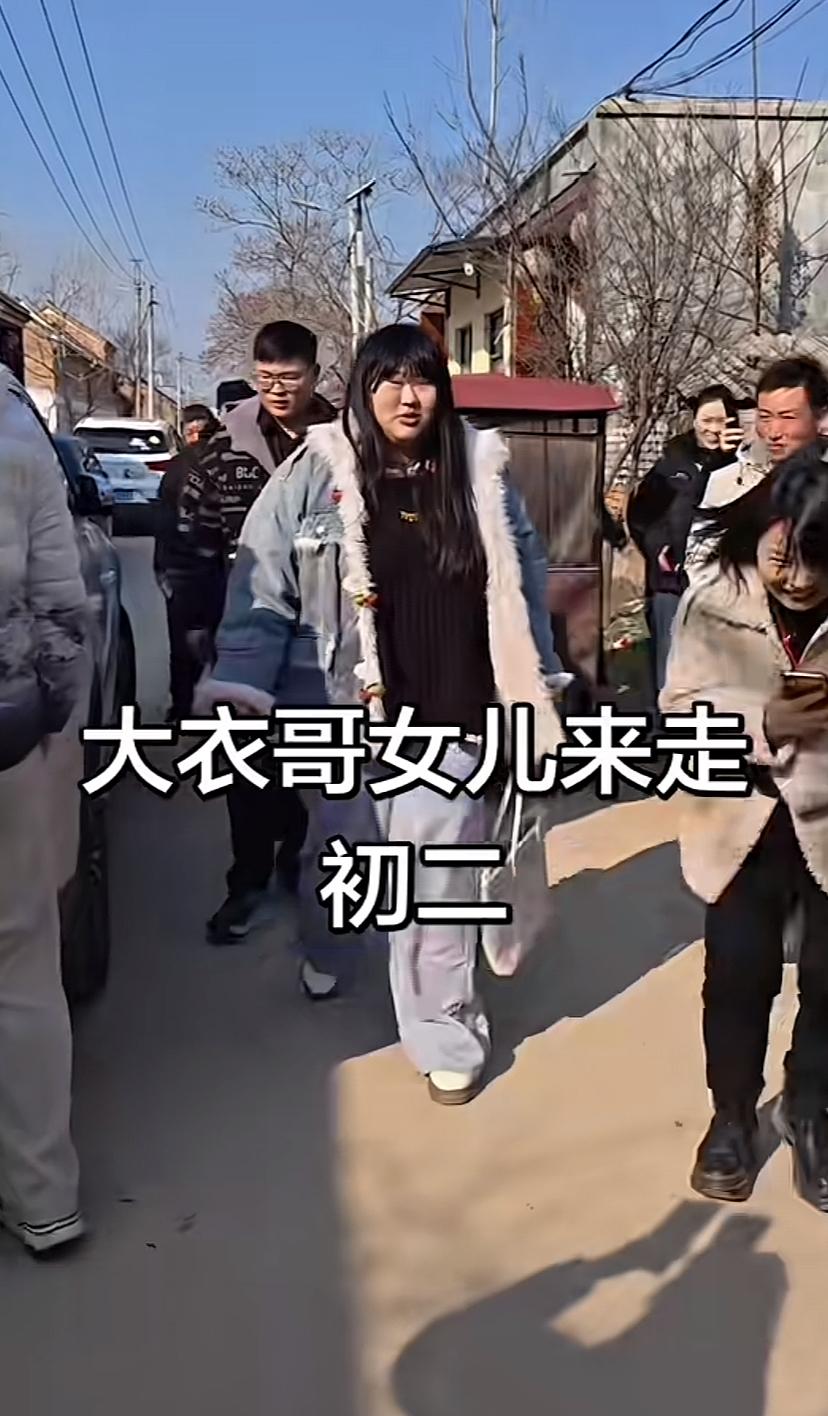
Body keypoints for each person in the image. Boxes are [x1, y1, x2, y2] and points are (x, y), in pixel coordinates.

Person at [196, 323, 565, 1106]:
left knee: (438, 878)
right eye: (388, 381)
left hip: (453, 713)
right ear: (363, 391)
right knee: (340, 851)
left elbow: (525, 584)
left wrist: (538, 682)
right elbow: (262, 591)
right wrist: (242, 683)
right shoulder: (315, 472)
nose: (407, 396)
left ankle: (445, 1030)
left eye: (422, 379)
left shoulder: (481, 473)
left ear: (442, 389)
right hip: (341, 707)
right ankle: (330, 943)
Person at [661, 439, 828, 1214]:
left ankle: (810, 1109)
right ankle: (731, 1116)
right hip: (741, 821)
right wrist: (764, 721)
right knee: (736, 975)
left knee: (827, 980)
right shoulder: (715, 601)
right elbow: (678, 711)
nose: (797, 579)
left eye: (818, 563)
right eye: (784, 557)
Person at [180, 322, 337, 946]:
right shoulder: (223, 453)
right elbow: (191, 547)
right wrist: (196, 633)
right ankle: (246, 882)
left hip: (322, 639)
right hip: (242, 633)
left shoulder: (345, 448)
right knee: (245, 766)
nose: (276, 389)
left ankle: (301, 865)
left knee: (314, 765)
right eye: (265, 378)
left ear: (314, 377)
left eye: (289, 378)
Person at [0, 365, 88, 1253]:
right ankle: (43, 1196)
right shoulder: (14, 427)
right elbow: (63, 613)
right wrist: (56, 737)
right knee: (21, 968)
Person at [627, 385, 743, 697]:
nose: (714, 429)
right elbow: (639, 515)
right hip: (671, 583)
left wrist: (725, 460)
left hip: (719, 586)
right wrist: (658, 550)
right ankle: (664, 724)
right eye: (707, 420)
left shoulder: (742, 465)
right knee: (669, 668)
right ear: (694, 420)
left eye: (722, 421)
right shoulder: (672, 463)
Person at [684, 355, 828, 588]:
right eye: (765, 417)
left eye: (788, 417)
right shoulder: (728, 481)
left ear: (821, 417)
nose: (773, 432)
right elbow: (697, 565)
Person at [154, 403, 223, 721]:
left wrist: (162, 567)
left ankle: (183, 707)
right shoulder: (225, 459)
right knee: (220, 639)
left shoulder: (179, 466)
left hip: (180, 566)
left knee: (183, 642)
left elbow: (163, 519)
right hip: (212, 565)